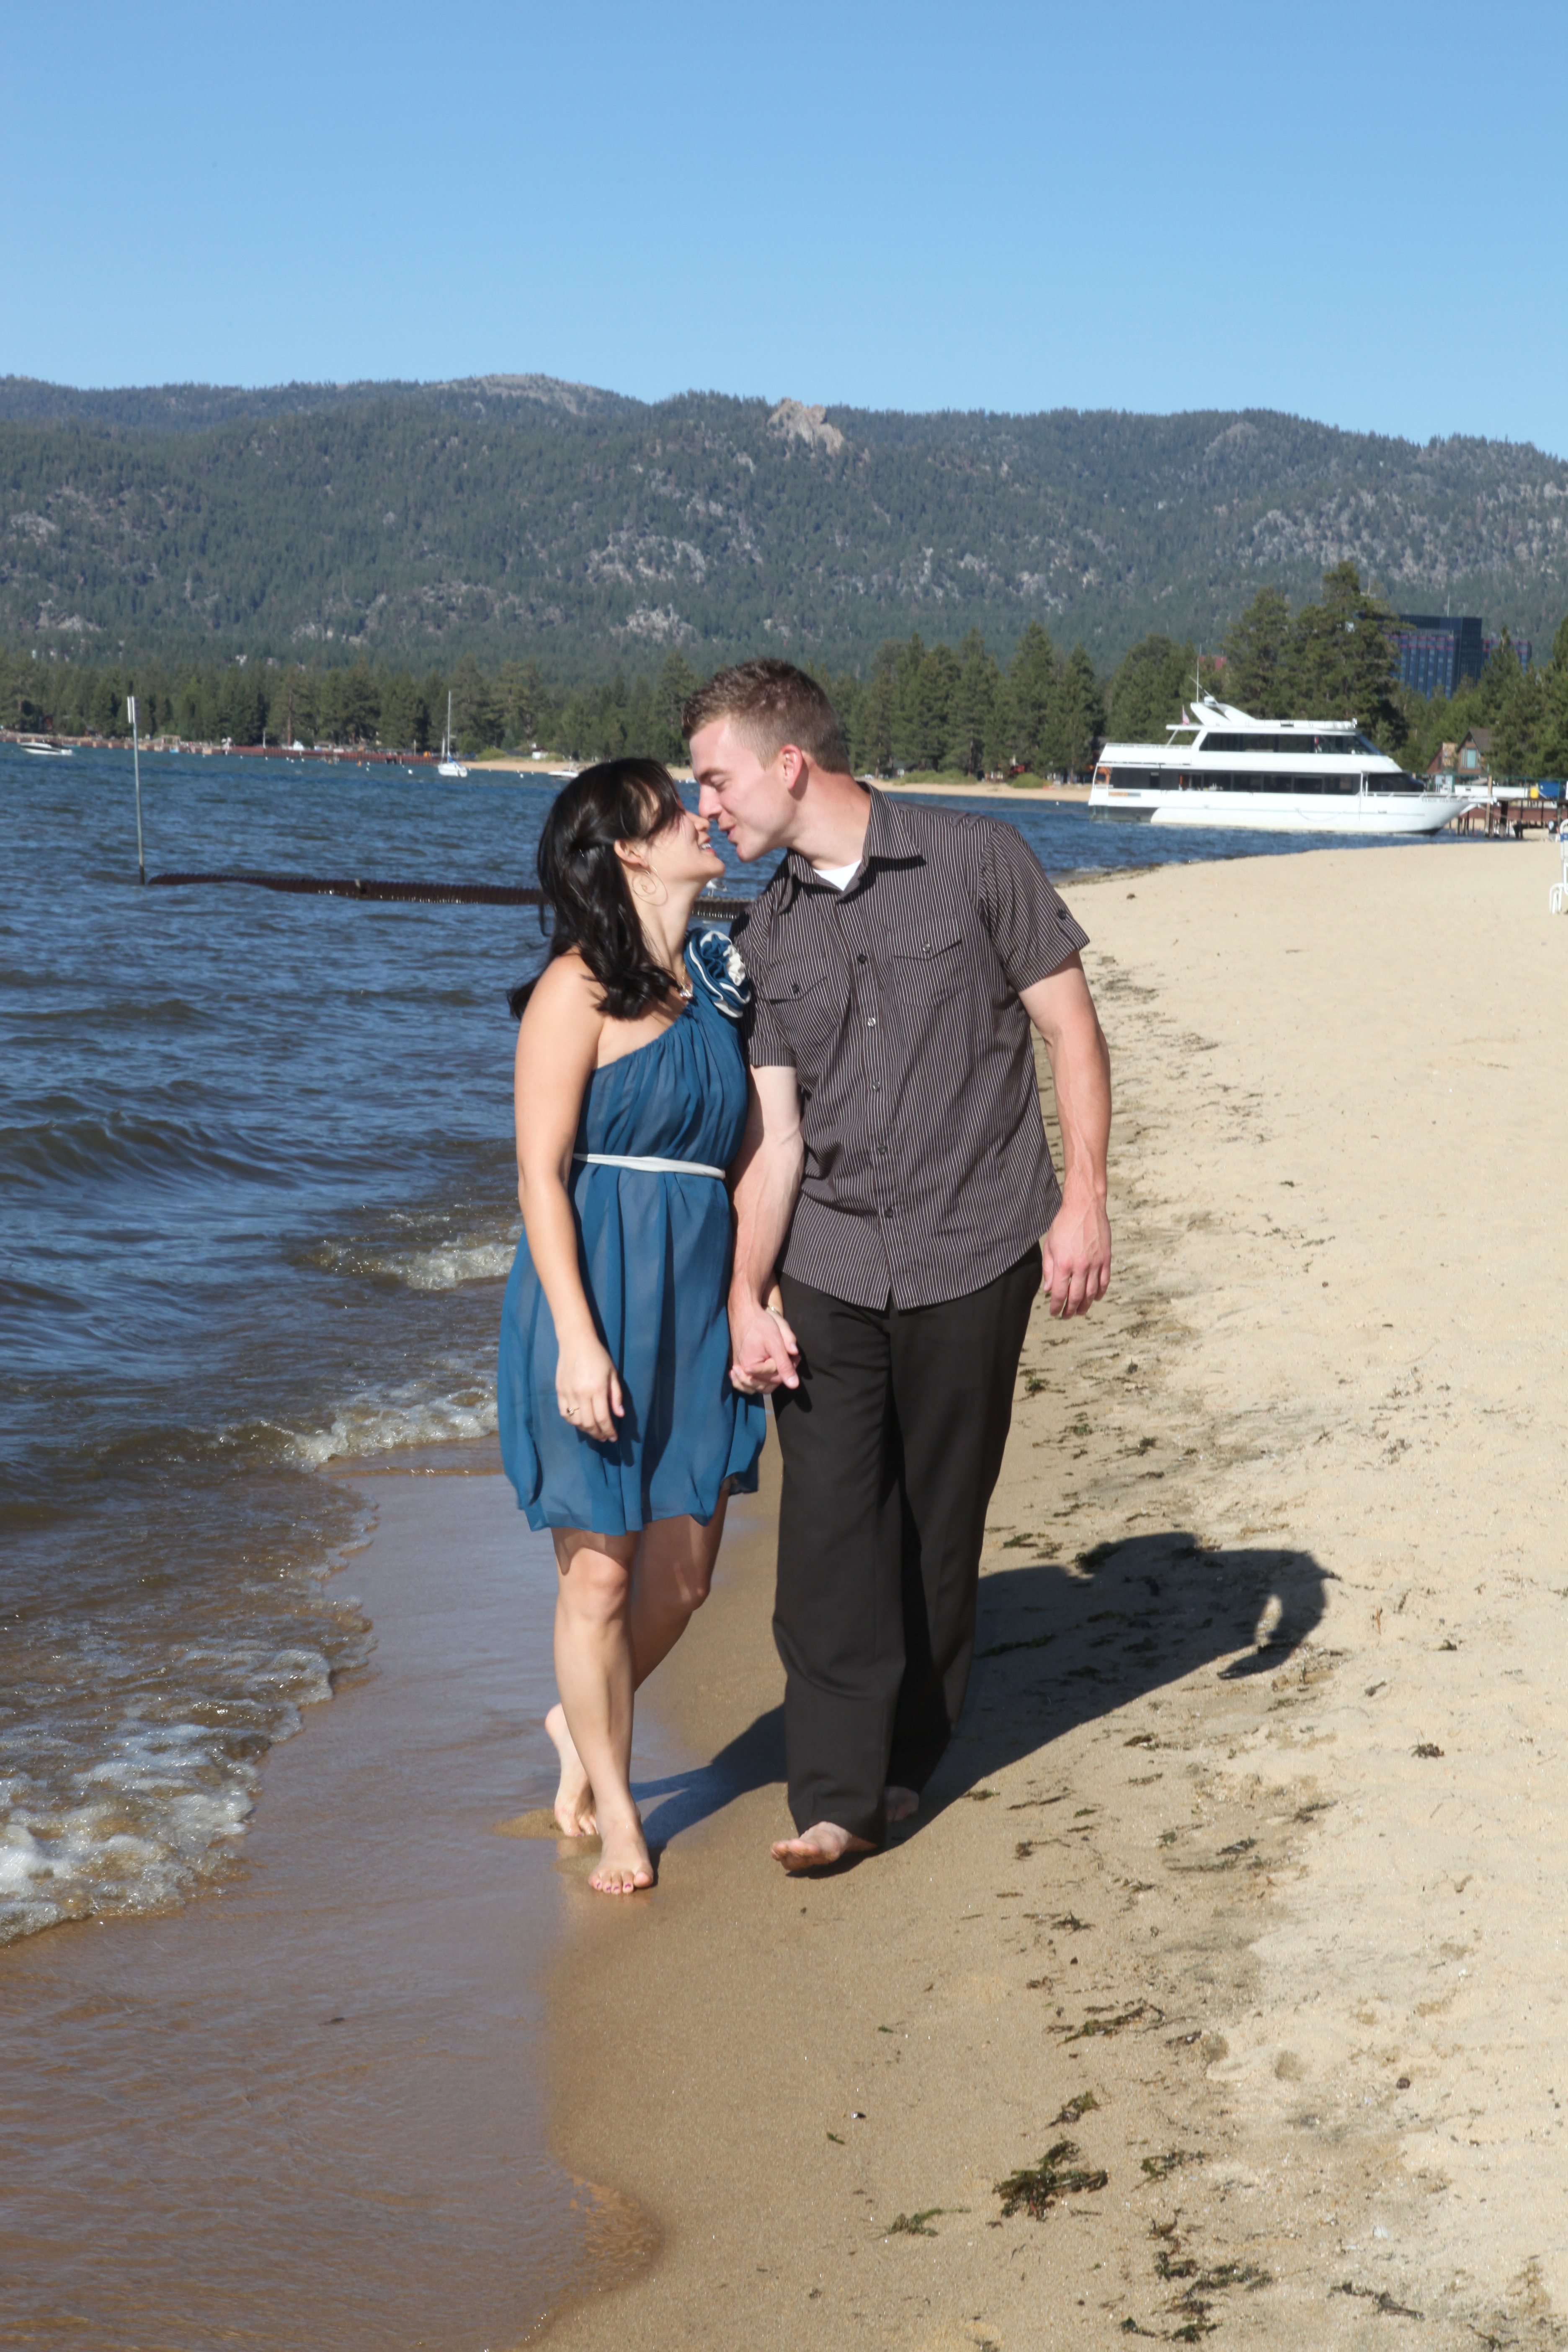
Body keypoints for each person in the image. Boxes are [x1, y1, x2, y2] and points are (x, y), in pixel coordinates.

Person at [686, 660, 1112, 1873]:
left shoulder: (982, 861)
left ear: (788, 764)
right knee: (830, 1529)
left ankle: (909, 1758)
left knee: (939, 1519)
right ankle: (833, 1795)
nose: (704, 805)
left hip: (979, 1245)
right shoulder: (763, 933)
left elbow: (1071, 1029)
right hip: (829, 1257)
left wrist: (1084, 1202)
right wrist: (744, 1295)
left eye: (715, 778)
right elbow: (776, 1143)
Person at [498, 759, 766, 1894]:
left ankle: (580, 1720)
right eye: (674, 808)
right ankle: (617, 1810)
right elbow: (539, 1174)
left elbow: (752, 1158)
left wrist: (755, 1292)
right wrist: (576, 1335)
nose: (703, 817)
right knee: (599, 1579)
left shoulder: (716, 985)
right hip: (596, 1293)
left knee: (683, 1581)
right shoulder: (575, 988)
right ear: (628, 851)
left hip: (696, 1296)